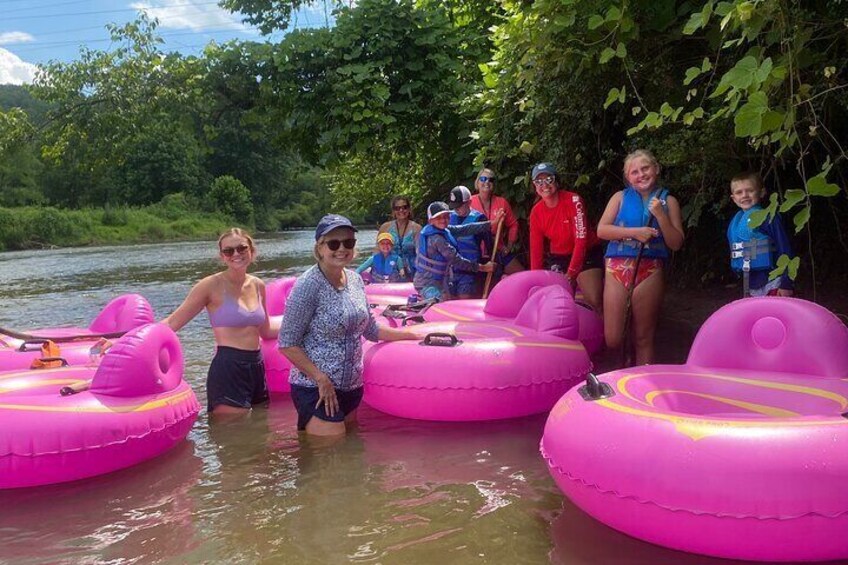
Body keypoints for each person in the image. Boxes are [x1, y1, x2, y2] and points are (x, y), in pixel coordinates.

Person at [278, 214, 419, 436]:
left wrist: (410, 335)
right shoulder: (307, 285)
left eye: (348, 242)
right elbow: (287, 343)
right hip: (317, 389)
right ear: (320, 248)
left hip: (351, 387)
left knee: (350, 459)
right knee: (329, 459)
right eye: (334, 243)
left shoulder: (355, 280)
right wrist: (320, 378)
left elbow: (371, 330)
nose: (341, 248)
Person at [164, 228, 277, 416]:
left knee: (260, 434)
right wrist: (129, 339)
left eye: (241, 248)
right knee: (230, 435)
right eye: (228, 251)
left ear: (251, 251)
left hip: (257, 366)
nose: (236, 254)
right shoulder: (210, 285)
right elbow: (173, 322)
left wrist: (307, 325)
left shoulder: (258, 285)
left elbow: (265, 330)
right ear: (222, 256)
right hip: (228, 367)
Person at [597, 149, 685, 365]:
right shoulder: (619, 197)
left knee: (644, 337)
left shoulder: (668, 201)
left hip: (650, 268)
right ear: (628, 177)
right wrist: (635, 232)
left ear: (655, 169)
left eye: (645, 168)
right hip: (617, 266)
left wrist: (661, 216)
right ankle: (624, 360)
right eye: (634, 172)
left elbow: (676, 243)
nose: (641, 174)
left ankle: (642, 383)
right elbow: (602, 230)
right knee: (613, 338)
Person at [528, 162, 604, 311]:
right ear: (534, 186)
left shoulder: (574, 200)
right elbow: (535, 250)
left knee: (594, 299)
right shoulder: (536, 212)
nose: (544, 185)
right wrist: (535, 280)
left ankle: (606, 330)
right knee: (555, 301)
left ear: (556, 180)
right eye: (539, 181)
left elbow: (581, 240)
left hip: (586, 252)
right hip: (559, 256)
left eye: (548, 179)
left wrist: (571, 274)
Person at [727, 172, 794, 297]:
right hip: (750, 285)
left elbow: (784, 249)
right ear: (734, 198)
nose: (745, 195)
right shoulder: (735, 223)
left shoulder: (769, 217)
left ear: (762, 192)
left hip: (774, 282)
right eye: (739, 192)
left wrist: (786, 283)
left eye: (750, 190)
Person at [413, 202, 497, 301]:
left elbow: (465, 229)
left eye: (446, 216)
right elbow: (457, 261)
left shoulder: (444, 229)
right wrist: (483, 268)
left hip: (440, 281)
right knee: (441, 303)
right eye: (439, 217)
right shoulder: (437, 239)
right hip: (426, 283)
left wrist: (491, 223)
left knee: (448, 299)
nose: (443, 220)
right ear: (431, 221)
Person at [470, 167, 524, 275]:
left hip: (497, 249)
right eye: (483, 179)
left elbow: (513, 224)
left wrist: (509, 246)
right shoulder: (469, 202)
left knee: (521, 274)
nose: (487, 182)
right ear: (477, 182)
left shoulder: (501, 202)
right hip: (475, 253)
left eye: (491, 180)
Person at [448, 185, 492, 299]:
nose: (456, 209)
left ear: (469, 202)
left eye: (459, 206)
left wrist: (493, 264)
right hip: (450, 271)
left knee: (464, 301)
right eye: (454, 206)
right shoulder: (447, 217)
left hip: (470, 271)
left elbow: (490, 245)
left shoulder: (479, 219)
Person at [378, 195, 422, 282]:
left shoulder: (417, 228)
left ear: (409, 209)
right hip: (391, 269)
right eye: (397, 208)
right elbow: (377, 250)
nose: (401, 210)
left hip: (412, 271)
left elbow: (420, 253)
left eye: (404, 207)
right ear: (393, 211)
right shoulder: (385, 227)